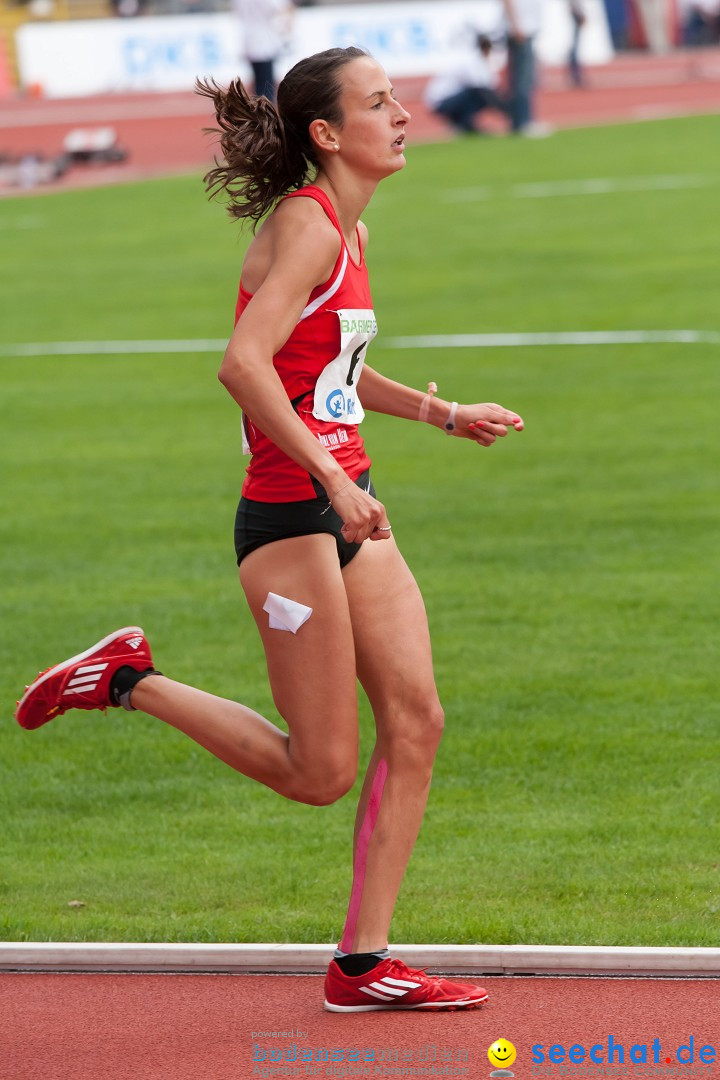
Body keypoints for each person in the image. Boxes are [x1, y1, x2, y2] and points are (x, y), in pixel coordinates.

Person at [15, 46, 524, 1013]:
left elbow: (330, 366)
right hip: (293, 518)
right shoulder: (307, 225)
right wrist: (333, 478)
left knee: (416, 722)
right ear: (328, 134)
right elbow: (244, 365)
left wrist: (444, 414)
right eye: (381, 103)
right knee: (319, 770)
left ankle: (363, 964)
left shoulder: (349, 233)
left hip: (344, 502)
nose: (404, 114)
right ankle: (125, 679)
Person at [424, 34, 508, 134]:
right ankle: (464, 123)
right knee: (477, 94)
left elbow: (491, 87)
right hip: (440, 102)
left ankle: (462, 125)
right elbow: (482, 89)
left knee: (482, 94)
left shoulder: (481, 62)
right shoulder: (472, 60)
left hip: (449, 98)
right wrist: (505, 110)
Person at [500, 0, 552, 135]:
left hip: (525, 30)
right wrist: (515, 26)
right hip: (520, 32)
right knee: (523, 79)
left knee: (523, 78)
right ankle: (524, 121)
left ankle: (520, 121)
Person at [233, 0, 295, 102]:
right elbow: (285, 7)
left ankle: (257, 111)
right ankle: (265, 113)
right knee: (266, 85)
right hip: (265, 42)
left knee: (258, 83)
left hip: (249, 41)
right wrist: (287, 28)